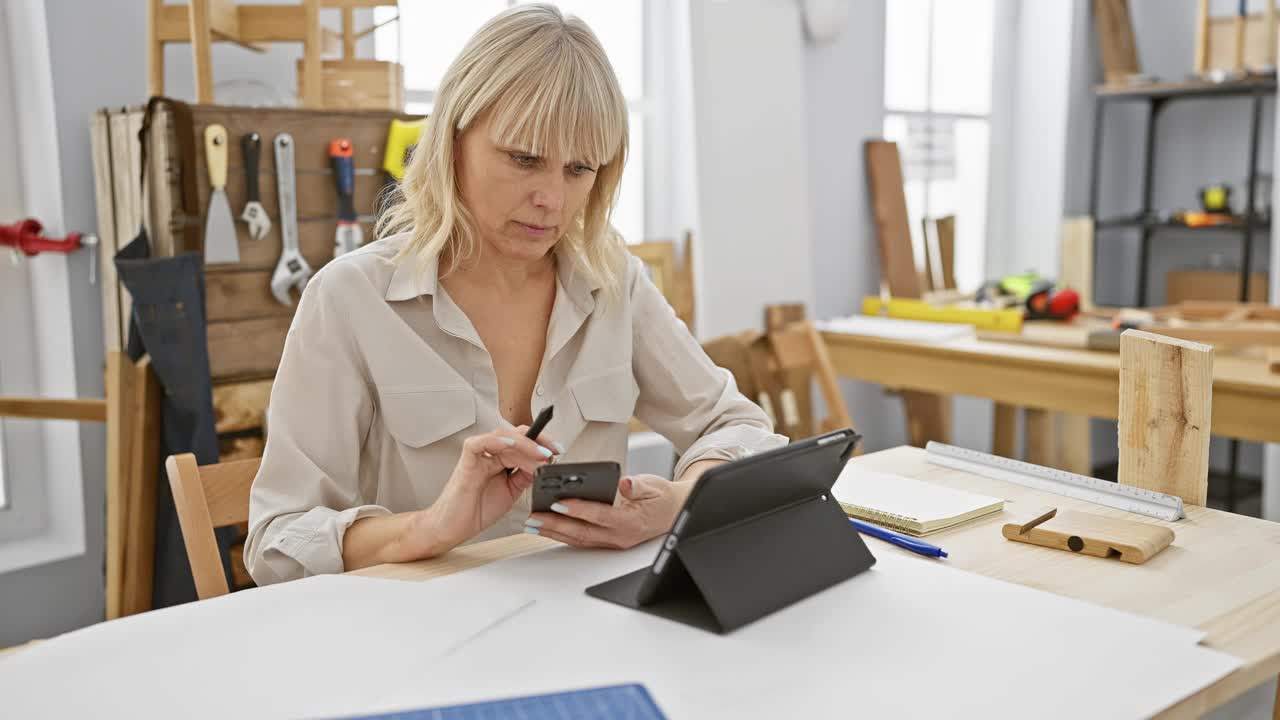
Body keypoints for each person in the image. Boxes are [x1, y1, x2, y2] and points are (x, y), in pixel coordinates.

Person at [244, 3, 785, 585]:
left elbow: (739, 428)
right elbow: (277, 541)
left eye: (579, 169)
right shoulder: (350, 298)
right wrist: (428, 529)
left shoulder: (614, 283)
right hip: (421, 641)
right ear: (453, 141)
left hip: (586, 625)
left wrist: (679, 499)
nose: (552, 199)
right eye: (524, 159)